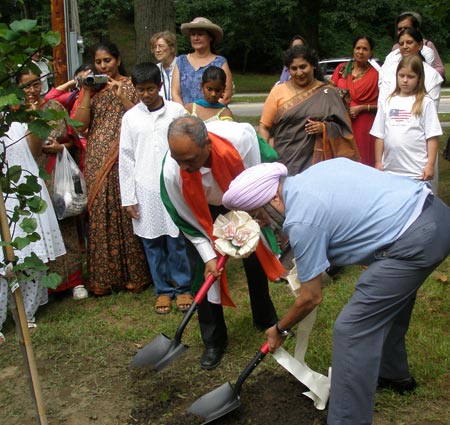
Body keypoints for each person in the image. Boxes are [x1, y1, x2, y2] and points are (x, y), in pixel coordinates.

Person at [222, 159, 450, 425]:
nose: (261, 224)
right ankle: (393, 374)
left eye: (258, 215)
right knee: (389, 302)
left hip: (417, 239)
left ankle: (347, 420)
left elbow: (311, 297)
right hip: (434, 213)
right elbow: (348, 216)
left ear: (273, 198)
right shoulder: (316, 173)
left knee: (352, 328)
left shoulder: (302, 220)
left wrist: (279, 329)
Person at [161, 116, 284, 370]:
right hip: (200, 211)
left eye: (190, 160)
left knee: (254, 254)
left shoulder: (240, 139)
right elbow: (186, 220)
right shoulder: (172, 173)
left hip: (238, 193)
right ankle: (214, 340)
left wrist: (254, 209)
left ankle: (265, 318)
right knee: (203, 273)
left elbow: (257, 175)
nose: (183, 166)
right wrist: (208, 256)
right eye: (178, 159)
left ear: (207, 144)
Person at [73, 41, 151, 295]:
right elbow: (80, 126)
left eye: (107, 60)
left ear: (117, 60)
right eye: (98, 62)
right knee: (99, 212)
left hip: (125, 155)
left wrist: (121, 93)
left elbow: (142, 115)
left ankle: (134, 275)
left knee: (125, 210)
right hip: (96, 157)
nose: (103, 66)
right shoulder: (93, 91)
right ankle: (103, 279)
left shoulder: (130, 85)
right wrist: (85, 91)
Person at [118, 62, 192, 314]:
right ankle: (162, 290)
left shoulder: (176, 111)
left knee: (176, 239)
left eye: (150, 89)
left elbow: (190, 144)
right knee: (151, 242)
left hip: (174, 185)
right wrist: (128, 197)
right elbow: (126, 158)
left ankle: (183, 287)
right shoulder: (130, 118)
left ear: (160, 86)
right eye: (140, 90)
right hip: (145, 187)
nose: (146, 95)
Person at [18, 68, 88, 300]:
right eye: (26, 86)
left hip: (55, 171)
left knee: (66, 223)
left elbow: (72, 140)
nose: (31, 90)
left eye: (35, 84)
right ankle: (43, 287)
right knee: (40, 228)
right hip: (29, 175)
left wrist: (60, 148)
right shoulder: (16, 113)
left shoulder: (54, 108)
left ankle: (74, 281)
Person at [1, 122, 66, 343]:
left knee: (30, 254)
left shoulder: (19, 122)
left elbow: (35, 151)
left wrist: (33, 123)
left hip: (24, 189)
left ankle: (25, 314)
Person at [258, 45, 360, 175]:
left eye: (303, 67)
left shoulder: (328, 92)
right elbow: (264, 127)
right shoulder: (278, 91)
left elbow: (344, 129)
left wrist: (324, 128)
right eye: (294, 68)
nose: (299, 72)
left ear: (313, 66)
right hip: (283, 159)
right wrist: (267, 155)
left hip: (319, 164)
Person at [371, 55, 442, 190]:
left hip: (416, 171)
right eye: (401, 75)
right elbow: (379, 135)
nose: (405, 80)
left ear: (419, 78)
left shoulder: (425, 102)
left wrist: (430, 165)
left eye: (410, 77)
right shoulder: (388, 102)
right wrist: (378, 161)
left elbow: (432, 137)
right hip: (390, 170)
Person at [331, 36, 379, 166]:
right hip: (341, 121)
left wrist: (362, 108)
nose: (361, 52)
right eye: (358, 48)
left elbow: (383, 105)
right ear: (353, 50)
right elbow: (329, 91)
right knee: (342, 159)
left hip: (364, 122)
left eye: (365, 49)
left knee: (363, 159)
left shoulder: (376, 75)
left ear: (371, 52)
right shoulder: (342, 69)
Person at [171, 17, 233, 105]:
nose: (196, 38)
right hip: (185, 116)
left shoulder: (220, 62)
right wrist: (185, 114)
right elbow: (175, 93)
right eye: (193, 34)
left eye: (200, 34)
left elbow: (226, 95)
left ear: (210, 37)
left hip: (213, 116)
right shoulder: (181, 61)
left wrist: (209, 113)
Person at [378, 28, 443, 109]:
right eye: (401, 44)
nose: (405, 47)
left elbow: (431, 111)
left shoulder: (432, 75)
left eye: (409, 42)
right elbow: (382, 104)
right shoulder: (390, 72)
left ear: (419, 45)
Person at [389, 11, 445, 79]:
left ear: (416, 29)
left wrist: (428, 74)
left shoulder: (427, 45)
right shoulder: (395, 47)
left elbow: (440, 68)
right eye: (399, 29)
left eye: (407, 28)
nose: (403, 31)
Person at [150, 31, 178, 101]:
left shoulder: (183, 65)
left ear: (171, 48)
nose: (157, 50)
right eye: (154, 47)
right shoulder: (154, 70)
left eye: (161, 46)